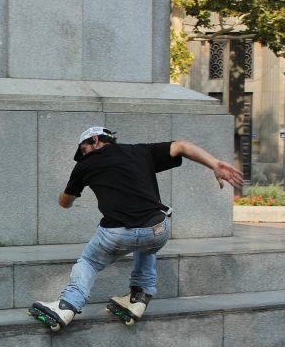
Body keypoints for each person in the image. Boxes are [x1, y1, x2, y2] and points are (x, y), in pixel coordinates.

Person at [30, 126, 243, 330]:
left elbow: (65, 202)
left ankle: (67, 306)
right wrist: (214, 163)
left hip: (117, 233)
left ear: (95, 140)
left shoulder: (85, 165)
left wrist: (65, 192)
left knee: (88, 262)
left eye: (84, 149)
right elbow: (182, 146)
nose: (84, 155)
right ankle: (138, 297)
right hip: (159, 229)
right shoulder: (140, 152)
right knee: (147, 245)